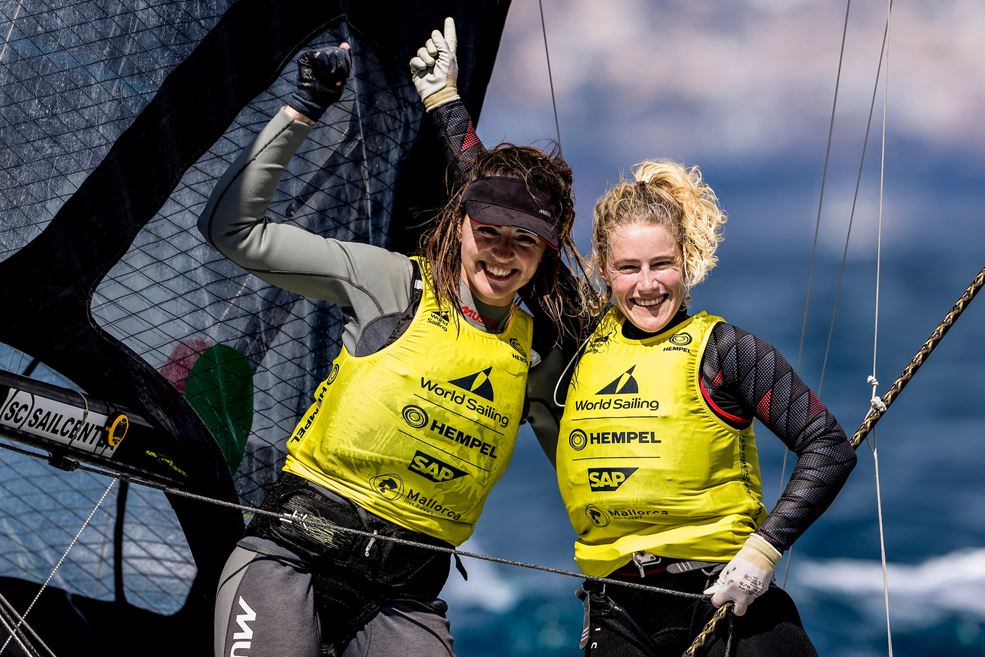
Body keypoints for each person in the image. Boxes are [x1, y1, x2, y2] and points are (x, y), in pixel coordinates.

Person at [201, 26, 583, 657]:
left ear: (546, 253)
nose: (503, 255)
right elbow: (234, 230)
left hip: (404, 598)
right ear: (460, 223)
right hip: (289, 560)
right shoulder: (390, 282)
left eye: (526, 242)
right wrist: (304, 108)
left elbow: (589, 473)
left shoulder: (536, 355)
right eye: (490, 232)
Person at [549, 162, 859, 656]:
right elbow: (504, 207)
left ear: (687, 260)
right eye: (629, 268)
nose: (647, 285)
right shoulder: (583, 341)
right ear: (604, 270)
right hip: (622, 616)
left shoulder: (727, 351)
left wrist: (763, 550)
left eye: (662, 264)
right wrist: (444, 101)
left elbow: (828, 447)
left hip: (729, 600)